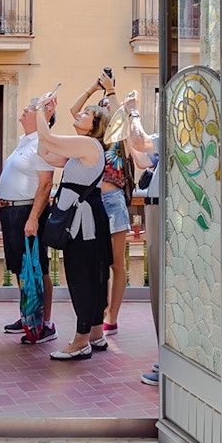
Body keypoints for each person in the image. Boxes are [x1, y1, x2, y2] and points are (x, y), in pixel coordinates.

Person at [35, 95, 112, 360]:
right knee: (91, 275)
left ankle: (80, 341)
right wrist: (44, 118)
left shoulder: (89, 144)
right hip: (86, 221)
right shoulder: (83, 149)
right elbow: (44, 152)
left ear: (94, 124)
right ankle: (94, 333)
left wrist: (38, 110)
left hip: (84, 224)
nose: (79, 115)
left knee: (82, 278)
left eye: (86, 114)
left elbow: (48, 142)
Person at [69, 72, 131, 336]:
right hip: (94, 203)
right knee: (98, 263)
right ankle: (100, 312)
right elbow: (74, 111)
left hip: (113, 201)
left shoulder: (117, 143)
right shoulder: (88, 141)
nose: (104, 107)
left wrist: (112, 92)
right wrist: (93, 88)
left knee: (117, 263)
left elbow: (125, 123)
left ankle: (112, 316)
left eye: (107, 107)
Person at [0, 97, 59, 344]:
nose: (23, 111)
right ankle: (28, 316)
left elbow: (45, 185)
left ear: (42, 118)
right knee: (21, 267)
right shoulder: (25, 142)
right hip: (11, 212)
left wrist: (33, 218)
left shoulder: (43, 144)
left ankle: (44, 323)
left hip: (26, 212)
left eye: (30, 110)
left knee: (38, 266)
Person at [123, 92, 161, 386]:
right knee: (159, 288)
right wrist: (125, 120)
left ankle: (169, 363)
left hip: (165, 210)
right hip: (156, 209)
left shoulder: (183, 131)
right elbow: (140, 157)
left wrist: (134, 111)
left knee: (163, 289)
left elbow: (141, 143)